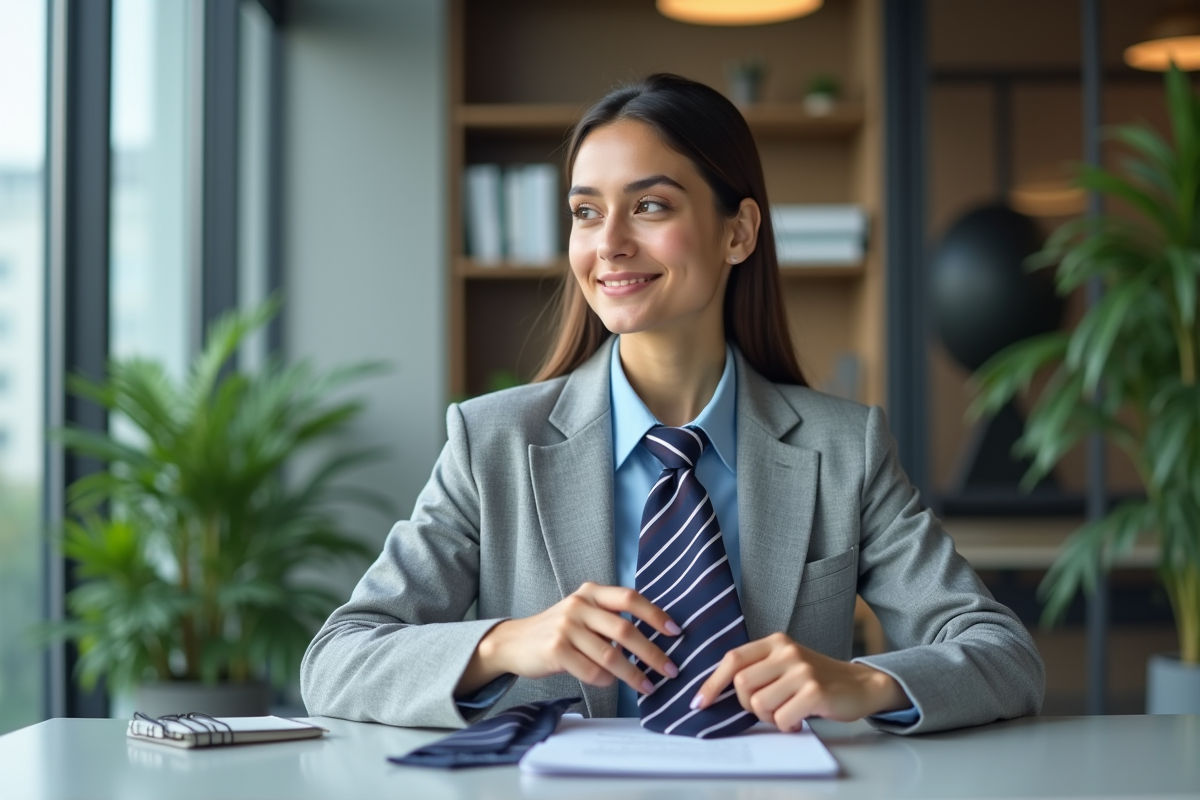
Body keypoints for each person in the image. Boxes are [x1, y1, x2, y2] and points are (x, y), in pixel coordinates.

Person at [301, 73, 1044, 736]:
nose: (609, 244)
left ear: (738, 232)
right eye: (586, 212)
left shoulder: (845, 450)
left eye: (649, 205)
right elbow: (336, 659)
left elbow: (1004, 654)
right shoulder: (490, 442)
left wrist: (867, 684)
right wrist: (504, 643)